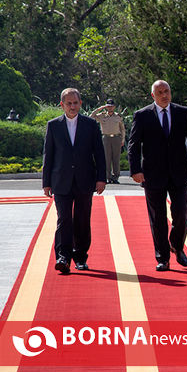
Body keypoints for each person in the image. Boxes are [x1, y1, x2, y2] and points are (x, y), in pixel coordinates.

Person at [128, 80, 187, 271]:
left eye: (167, 91)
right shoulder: (142, 115)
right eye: (160, 92)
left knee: (181, 212)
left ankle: (177, 246)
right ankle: (162, 257)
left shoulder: (182, 112)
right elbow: (134, 145)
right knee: (158, 217)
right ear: (153, 95)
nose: (164, 95)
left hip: (179, 172)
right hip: (153, 174)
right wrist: (135, 170)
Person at [42, 88, 106, 274]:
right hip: (60, 181)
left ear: (80, 103)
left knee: (82, 219)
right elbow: (49, 155)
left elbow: (99, 154)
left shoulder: (90, 125)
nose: (72, 106)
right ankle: (63, 257)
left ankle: (80, 257)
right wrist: (46, 182)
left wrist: (101, 178)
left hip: (85, 180)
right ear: (62, 105)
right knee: (63, 219)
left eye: (75, 103)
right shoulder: (53, 125)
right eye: (68, 103)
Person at [90, 98, 126, 184]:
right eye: (108, 106)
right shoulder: (102, 115)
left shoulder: (118, 116)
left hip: (116, 138)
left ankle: (115, 177)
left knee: (116, 159)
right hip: (106, 138)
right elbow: (91, 117)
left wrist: (123, 139)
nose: (110, 108)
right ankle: (108, 177)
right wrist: (100, 108)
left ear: (114, 107)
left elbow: (122, 129)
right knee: (106, 158)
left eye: (111, 106)